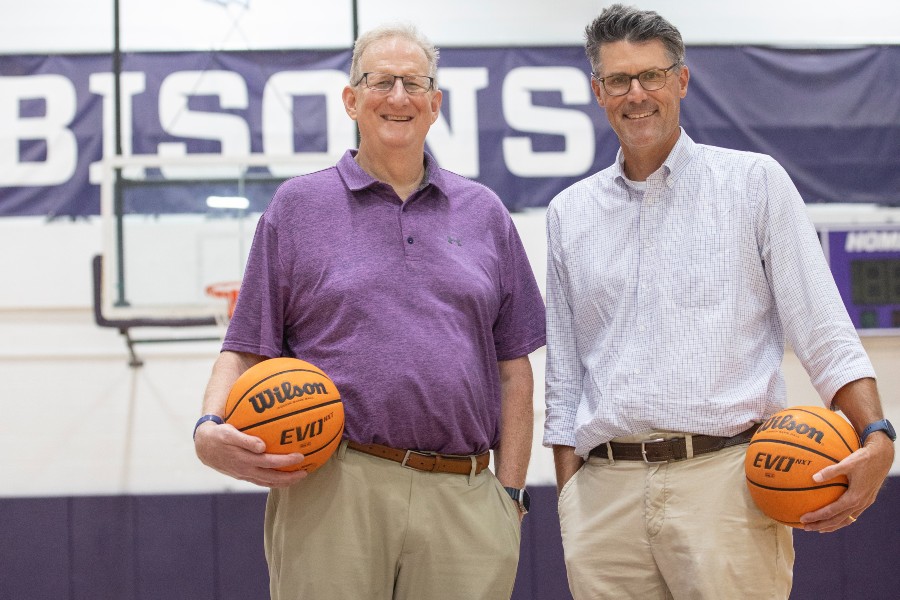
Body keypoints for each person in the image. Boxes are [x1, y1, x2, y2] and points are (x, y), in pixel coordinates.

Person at [543, 4, 895, 599]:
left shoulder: (755, 183)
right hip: (605, 496)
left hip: (726, 483)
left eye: (651, 75)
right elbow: (565, 376)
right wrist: (573, 500)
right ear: (597, 91)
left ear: (681, 80)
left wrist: (878, 434)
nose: (637, 94)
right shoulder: (567, 213)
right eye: (619, 80)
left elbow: (824, 329)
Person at [193, 23, 546, 600]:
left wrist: (507, 498)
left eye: (415, 84)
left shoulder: (485, 213)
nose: (399, 98)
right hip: (335, 485)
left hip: (466, 495)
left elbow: (515, 371)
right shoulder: (298, 207)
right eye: (382, 81)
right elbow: (246, 346)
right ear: (352, 99)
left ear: (436, 104)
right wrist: (208, 426)